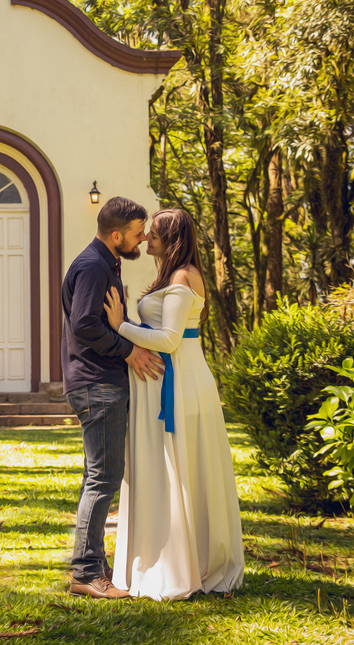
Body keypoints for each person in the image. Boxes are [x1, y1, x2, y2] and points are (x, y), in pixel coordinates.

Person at [102, 208, 245, 600]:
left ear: (172, 238)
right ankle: (164, 555)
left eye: (154, 234)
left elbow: (168, 340)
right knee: (166, 469)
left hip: (179, 385)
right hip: (162, 382)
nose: (147, 239)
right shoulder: (171, 275)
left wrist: (120, 327)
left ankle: (186, 562)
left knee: (180, 467)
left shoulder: (184, 277)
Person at [61, 196, 165, 600]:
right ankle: (86, 573)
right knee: (102, 478)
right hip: (97, 384)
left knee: (97, 476)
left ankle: (94, 565)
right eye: (139, 233)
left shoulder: (106, 262)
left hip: (99, 382)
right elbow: (86, 325)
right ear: (117, 234)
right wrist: (130, 351)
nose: (143, 239)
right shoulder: (92, 266)